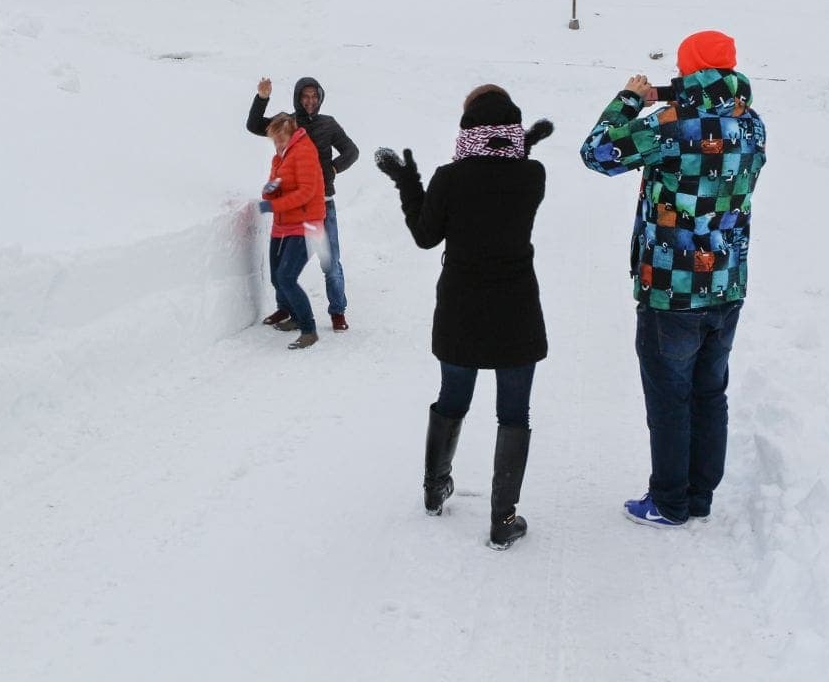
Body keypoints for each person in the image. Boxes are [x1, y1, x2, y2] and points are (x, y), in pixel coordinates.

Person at [578, 30, 767, 528]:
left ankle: (668, 501)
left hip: (671, 286)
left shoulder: (670, 123)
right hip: (727, 283)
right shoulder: (752, 125)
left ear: (687, 69)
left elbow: (596, 153)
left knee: (670, 398)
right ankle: (699, 496)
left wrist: (629, 101)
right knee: (710, 393)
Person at [374, 86, 554, 550]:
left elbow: (425, 236)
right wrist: (524, 145)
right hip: (516, 309)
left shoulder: (450, 178)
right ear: (512, 129)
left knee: (452, 398)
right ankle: (503, 519)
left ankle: (435, 489)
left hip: (461, 307)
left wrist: (407, 182)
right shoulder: (532, 174)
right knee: (514, 413)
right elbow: (506, 176)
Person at [247, 76, 359, 332]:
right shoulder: (289, 122)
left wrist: (332, 168)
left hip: (322, 206)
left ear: (320, 98)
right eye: (305, 96)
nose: (310, 101)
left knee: (329, 262)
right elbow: (254, 125)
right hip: (294, 208)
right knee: (282, 266)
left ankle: (337, 311)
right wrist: (262, 98)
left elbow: (351, 151)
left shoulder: (328, 124)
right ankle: (285, 308)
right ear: (298, 97)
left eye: (314, 96)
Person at [259, 113, 326, 350]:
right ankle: (296, 318)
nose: (277, 144)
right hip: (283, 225)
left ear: (291, 133)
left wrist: (274, 204)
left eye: (281, 139)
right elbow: (272, 188)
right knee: (278, 278)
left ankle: (309, 329)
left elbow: (307, 192)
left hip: (307, 224)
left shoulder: (305, 151)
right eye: (274, 140)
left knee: (287, 277)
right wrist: (269, 191)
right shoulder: (280, 157)